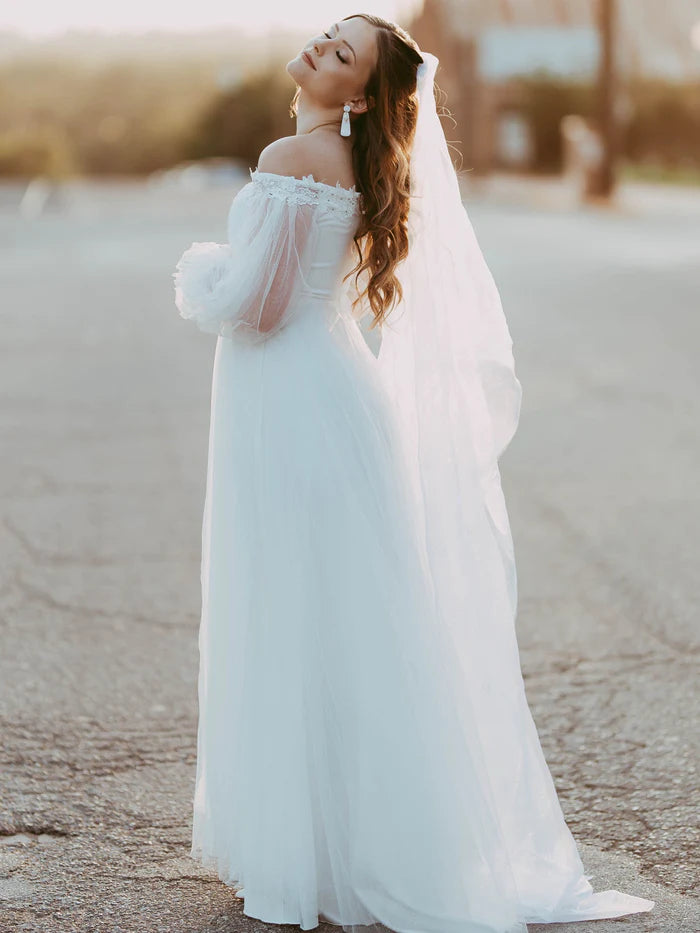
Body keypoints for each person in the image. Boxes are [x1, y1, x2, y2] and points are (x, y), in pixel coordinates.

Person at [173, 14, 655, 933]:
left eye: (342, 54)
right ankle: (367, 840)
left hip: (290, 402)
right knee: (351, 617)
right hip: (335, 396)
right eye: (326, 35)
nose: (320, 48)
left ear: (359, 94)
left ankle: (310, 851)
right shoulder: (360, 167)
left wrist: (200, 274)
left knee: (290, 605)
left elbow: (258, 304)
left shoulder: (289, 154)